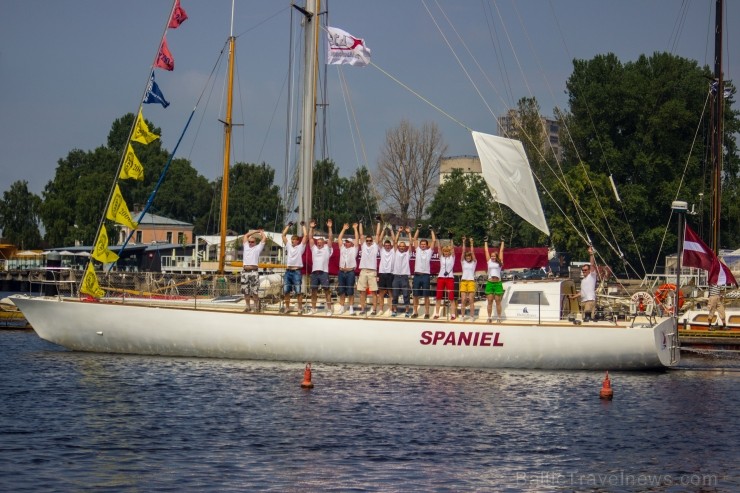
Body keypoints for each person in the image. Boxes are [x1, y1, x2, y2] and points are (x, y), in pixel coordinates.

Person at [281, 221, 308, 313]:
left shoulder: (301, 247)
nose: (292, 241)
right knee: (286, 290)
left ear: (297, 241)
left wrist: (304, 226)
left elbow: (305, 236)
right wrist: (288, 226)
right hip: (288, 271)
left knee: (298, 291)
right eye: (292, 239)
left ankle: (300, 308)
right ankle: (287, 308)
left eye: (294, 239)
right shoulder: (288, 246)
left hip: (297, 271)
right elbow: (283, 235)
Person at [308, 219, 333, 315]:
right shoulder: (313, 248)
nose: (318, 243)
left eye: (320, 242)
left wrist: (329, 227)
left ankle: (329, 309)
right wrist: (311, 228)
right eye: (317, 242)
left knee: (327, 291)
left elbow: (330, 237)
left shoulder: (327, 248)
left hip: (324, 272)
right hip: (314, 273)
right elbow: (310, 238)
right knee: (313, 291)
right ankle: (313, 308)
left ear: (323, 243)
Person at [357, 219, 382, 316]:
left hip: (372, 272)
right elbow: (361, 235)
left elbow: (378, 234)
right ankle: (362, 309)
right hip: (363, 270)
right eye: (367, 240)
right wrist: (360, 223)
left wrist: (379, 223)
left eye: (370, 240)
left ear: (372, 241)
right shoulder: (363, 245)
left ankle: (374, 309)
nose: (368, 242)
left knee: (374, 292)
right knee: (362, 292)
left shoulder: (375, 246)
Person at [411, 227, 437, 319]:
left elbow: (434, 241)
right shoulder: (417, 250)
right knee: (415, 295)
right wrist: (418, 229)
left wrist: (431, 230)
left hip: (425, 276)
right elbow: (414, 239)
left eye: (424, 244)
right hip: (417, 275)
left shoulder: (429, 251)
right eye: (421, 244)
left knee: (426, 295)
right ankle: (415, 312)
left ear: (427, 245)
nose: (422, 245)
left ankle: (426, 313)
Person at [241, 229, 266, 312]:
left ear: (255, 242)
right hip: (245, 271)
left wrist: (261, 232)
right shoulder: (246, 246)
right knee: (245, 291)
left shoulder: (257, 248)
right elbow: (245, 236)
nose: (251, 243)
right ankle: (248, 307)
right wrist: (255, 231)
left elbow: (264, 238)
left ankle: (256, 307)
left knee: (255, 291)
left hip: (253, 271)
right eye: (250, 242)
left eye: (252, 242)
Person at [569, 246, 597, 322]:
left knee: (588, 319)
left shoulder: (592, 276)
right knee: (583, 319)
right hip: (583, 301)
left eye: (585, 270)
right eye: (583, 270)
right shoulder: (583, 280)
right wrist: (573, 297)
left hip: (590, 300)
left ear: (589, 270)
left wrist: (591, 254)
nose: (584, 271)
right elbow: (582, 292)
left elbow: (592, 265)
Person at [337, 223, 359, 315]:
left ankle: (351, 308)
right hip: (341, 271)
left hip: (350, 272)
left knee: (350, 291)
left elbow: (357, 239)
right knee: (341, 290)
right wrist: (343, 229)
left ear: (351, 243)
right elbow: (339, 239)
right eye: (345, 242)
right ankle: (342, 307)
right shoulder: (342, 248)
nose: (346, 243)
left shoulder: (354, 249)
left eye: (348, 242)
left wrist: (355, 229)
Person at [433, 237, 457, 320]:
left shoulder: (452, 257)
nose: (446, 253)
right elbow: (438, 248)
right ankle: (436, 314)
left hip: (450, 278)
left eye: (447, 251)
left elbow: (453, 249)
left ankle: (453, 315)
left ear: (449, 252)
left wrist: (451, 239)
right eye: (445, 251)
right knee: (438, 296)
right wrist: (439, 239)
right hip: (441, 278)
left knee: (451, 297)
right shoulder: (441, 257)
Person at [391, 226, 412, 317]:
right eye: (401, 246)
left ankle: (407, 311)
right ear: (399, 247)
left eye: (403, 246)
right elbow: (395, 241)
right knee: (395, 295)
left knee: (406, 295)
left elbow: (411, 243)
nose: (402, 247)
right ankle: (394, 311)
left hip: (404, 277)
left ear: (405, 247)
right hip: (396, 277)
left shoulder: (408, 254)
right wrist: (399, 232)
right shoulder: (396, 252)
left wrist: (409, 233)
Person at [484, 238, 505, 323]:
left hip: (498, 283)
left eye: (494, 256)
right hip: (490, 283)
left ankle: (499, 318)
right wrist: (485, 241)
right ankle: (489, 317)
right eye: (491, 256)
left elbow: (501, 251)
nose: (492, 257)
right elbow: (486, 251)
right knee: (489, 301)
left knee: (498, 301)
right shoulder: (489, 261)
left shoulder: (499, 263)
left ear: (496, 257)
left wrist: (502, 241)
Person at [377, 226, 395, 316]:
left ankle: (390, 309)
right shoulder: (382, 250)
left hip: (390, 274)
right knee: (381, 292)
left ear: (390, 246)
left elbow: (395, 241)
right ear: (384, 246)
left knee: (390, 292)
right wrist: (383, 229)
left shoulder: (393, 251)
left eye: (389, 245)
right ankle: (381, 309)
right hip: (382, 273)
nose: (387, 247)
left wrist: (391, 230)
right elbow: (380, 240)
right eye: (386, 245)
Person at [459, 236, 477, 321]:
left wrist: (471, 243)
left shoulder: (474, 262)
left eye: (469, 256)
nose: (468, 257)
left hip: (471, 281)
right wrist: (463, 242)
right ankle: (462, 316)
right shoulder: (463, 262)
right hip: (463, 281)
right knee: (463, 300)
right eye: (467, 256)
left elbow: (473, 252)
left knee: (471, 300)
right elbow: (463, 252)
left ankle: (472, 316)